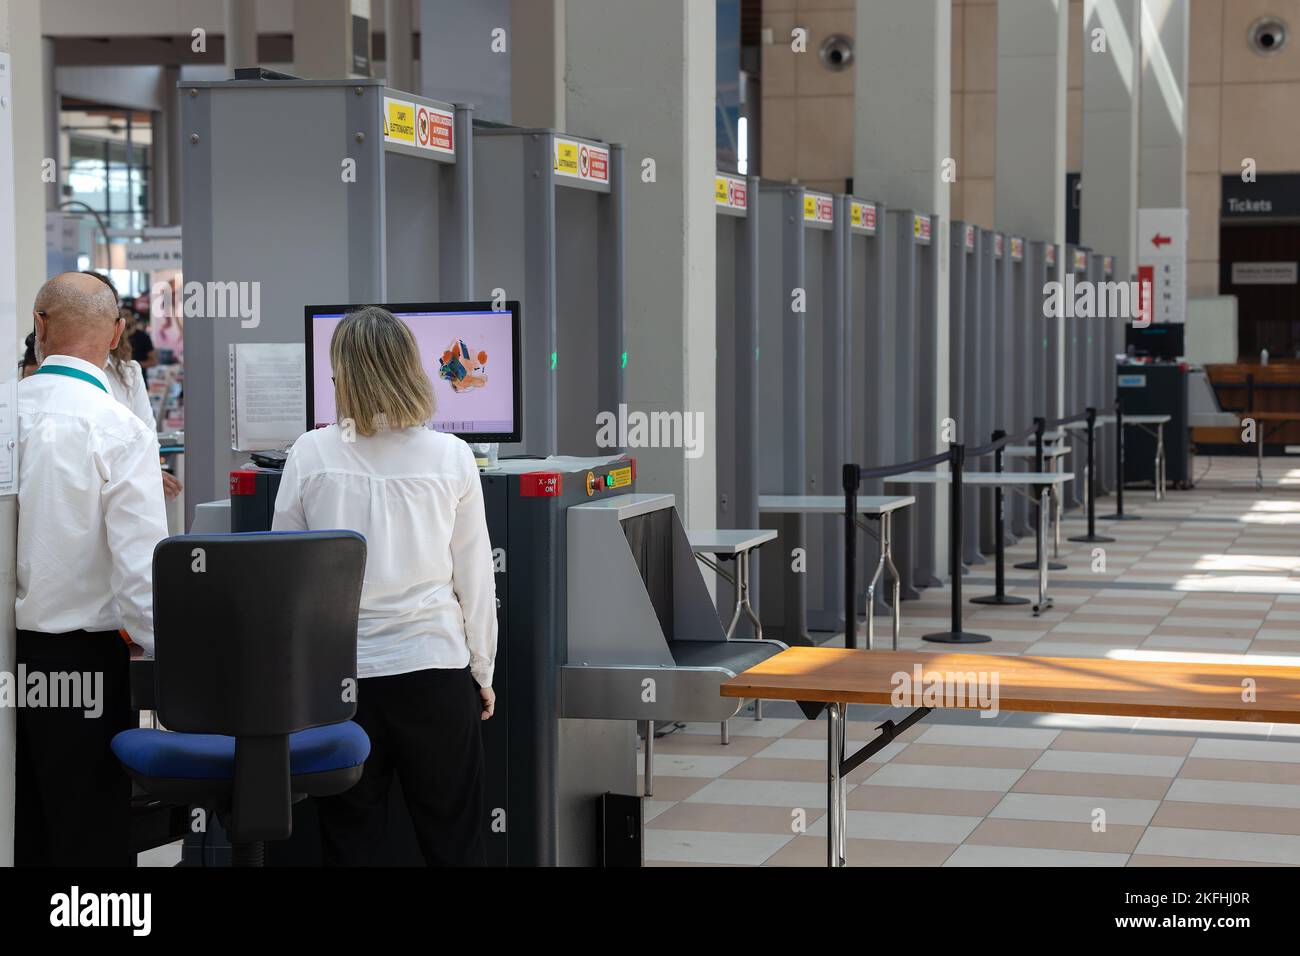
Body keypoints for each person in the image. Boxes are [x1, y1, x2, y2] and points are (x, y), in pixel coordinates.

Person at [272, 306, 497, 867]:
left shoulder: (310, 453)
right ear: (411, 369)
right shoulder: (452, 456)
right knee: (454, 840)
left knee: (352, 841)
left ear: (343, 375)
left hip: (342, 680)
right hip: (434, 670)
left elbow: (285, 576)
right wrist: (482, 671)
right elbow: (474, 577)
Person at [15, 272, 170, 866]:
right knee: (86, 833)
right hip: (82, 663)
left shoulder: (5, 416)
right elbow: (142, 571)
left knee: (19, 823)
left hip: (9, 656)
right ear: (115, 333)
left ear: (40, 325)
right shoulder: (120, 429)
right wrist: (165, 655)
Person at [81, 271, 182, 500]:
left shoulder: (128, 374)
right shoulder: (49, 374)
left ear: (116, 323)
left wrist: (151, 474)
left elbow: (146, 440)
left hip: (123, 496)